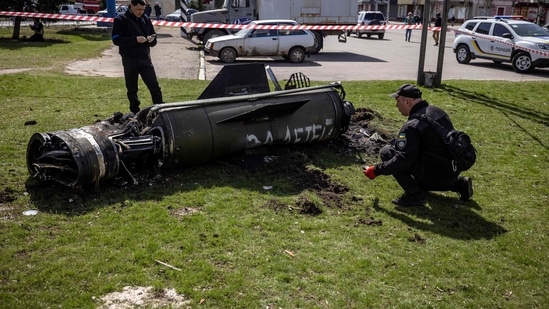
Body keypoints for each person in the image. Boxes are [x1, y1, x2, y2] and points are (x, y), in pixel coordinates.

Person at [362, 84, 473, 206]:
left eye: (398, 101)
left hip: (436, 175)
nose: (396, 105)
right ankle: (458, 184)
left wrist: (376, 170)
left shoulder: (412, 126)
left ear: (408, 101)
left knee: (387, 152)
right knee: (418, 169)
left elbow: (402, 160)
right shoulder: (436, 111)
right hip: (452, 171)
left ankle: (414, 195)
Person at [112, 0, 164, 114]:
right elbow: (116, 39)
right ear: (131, 6)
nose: (141, 12)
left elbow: (153, 36)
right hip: (129, 59)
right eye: (138, 9)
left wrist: (152, 40)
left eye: (143, 10)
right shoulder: (121, 20)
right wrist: (135, 40)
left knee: (154, 86)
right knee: (132, 89)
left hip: (145, 58)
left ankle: (160, 109)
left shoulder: (146, 19)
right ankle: (135, 112)